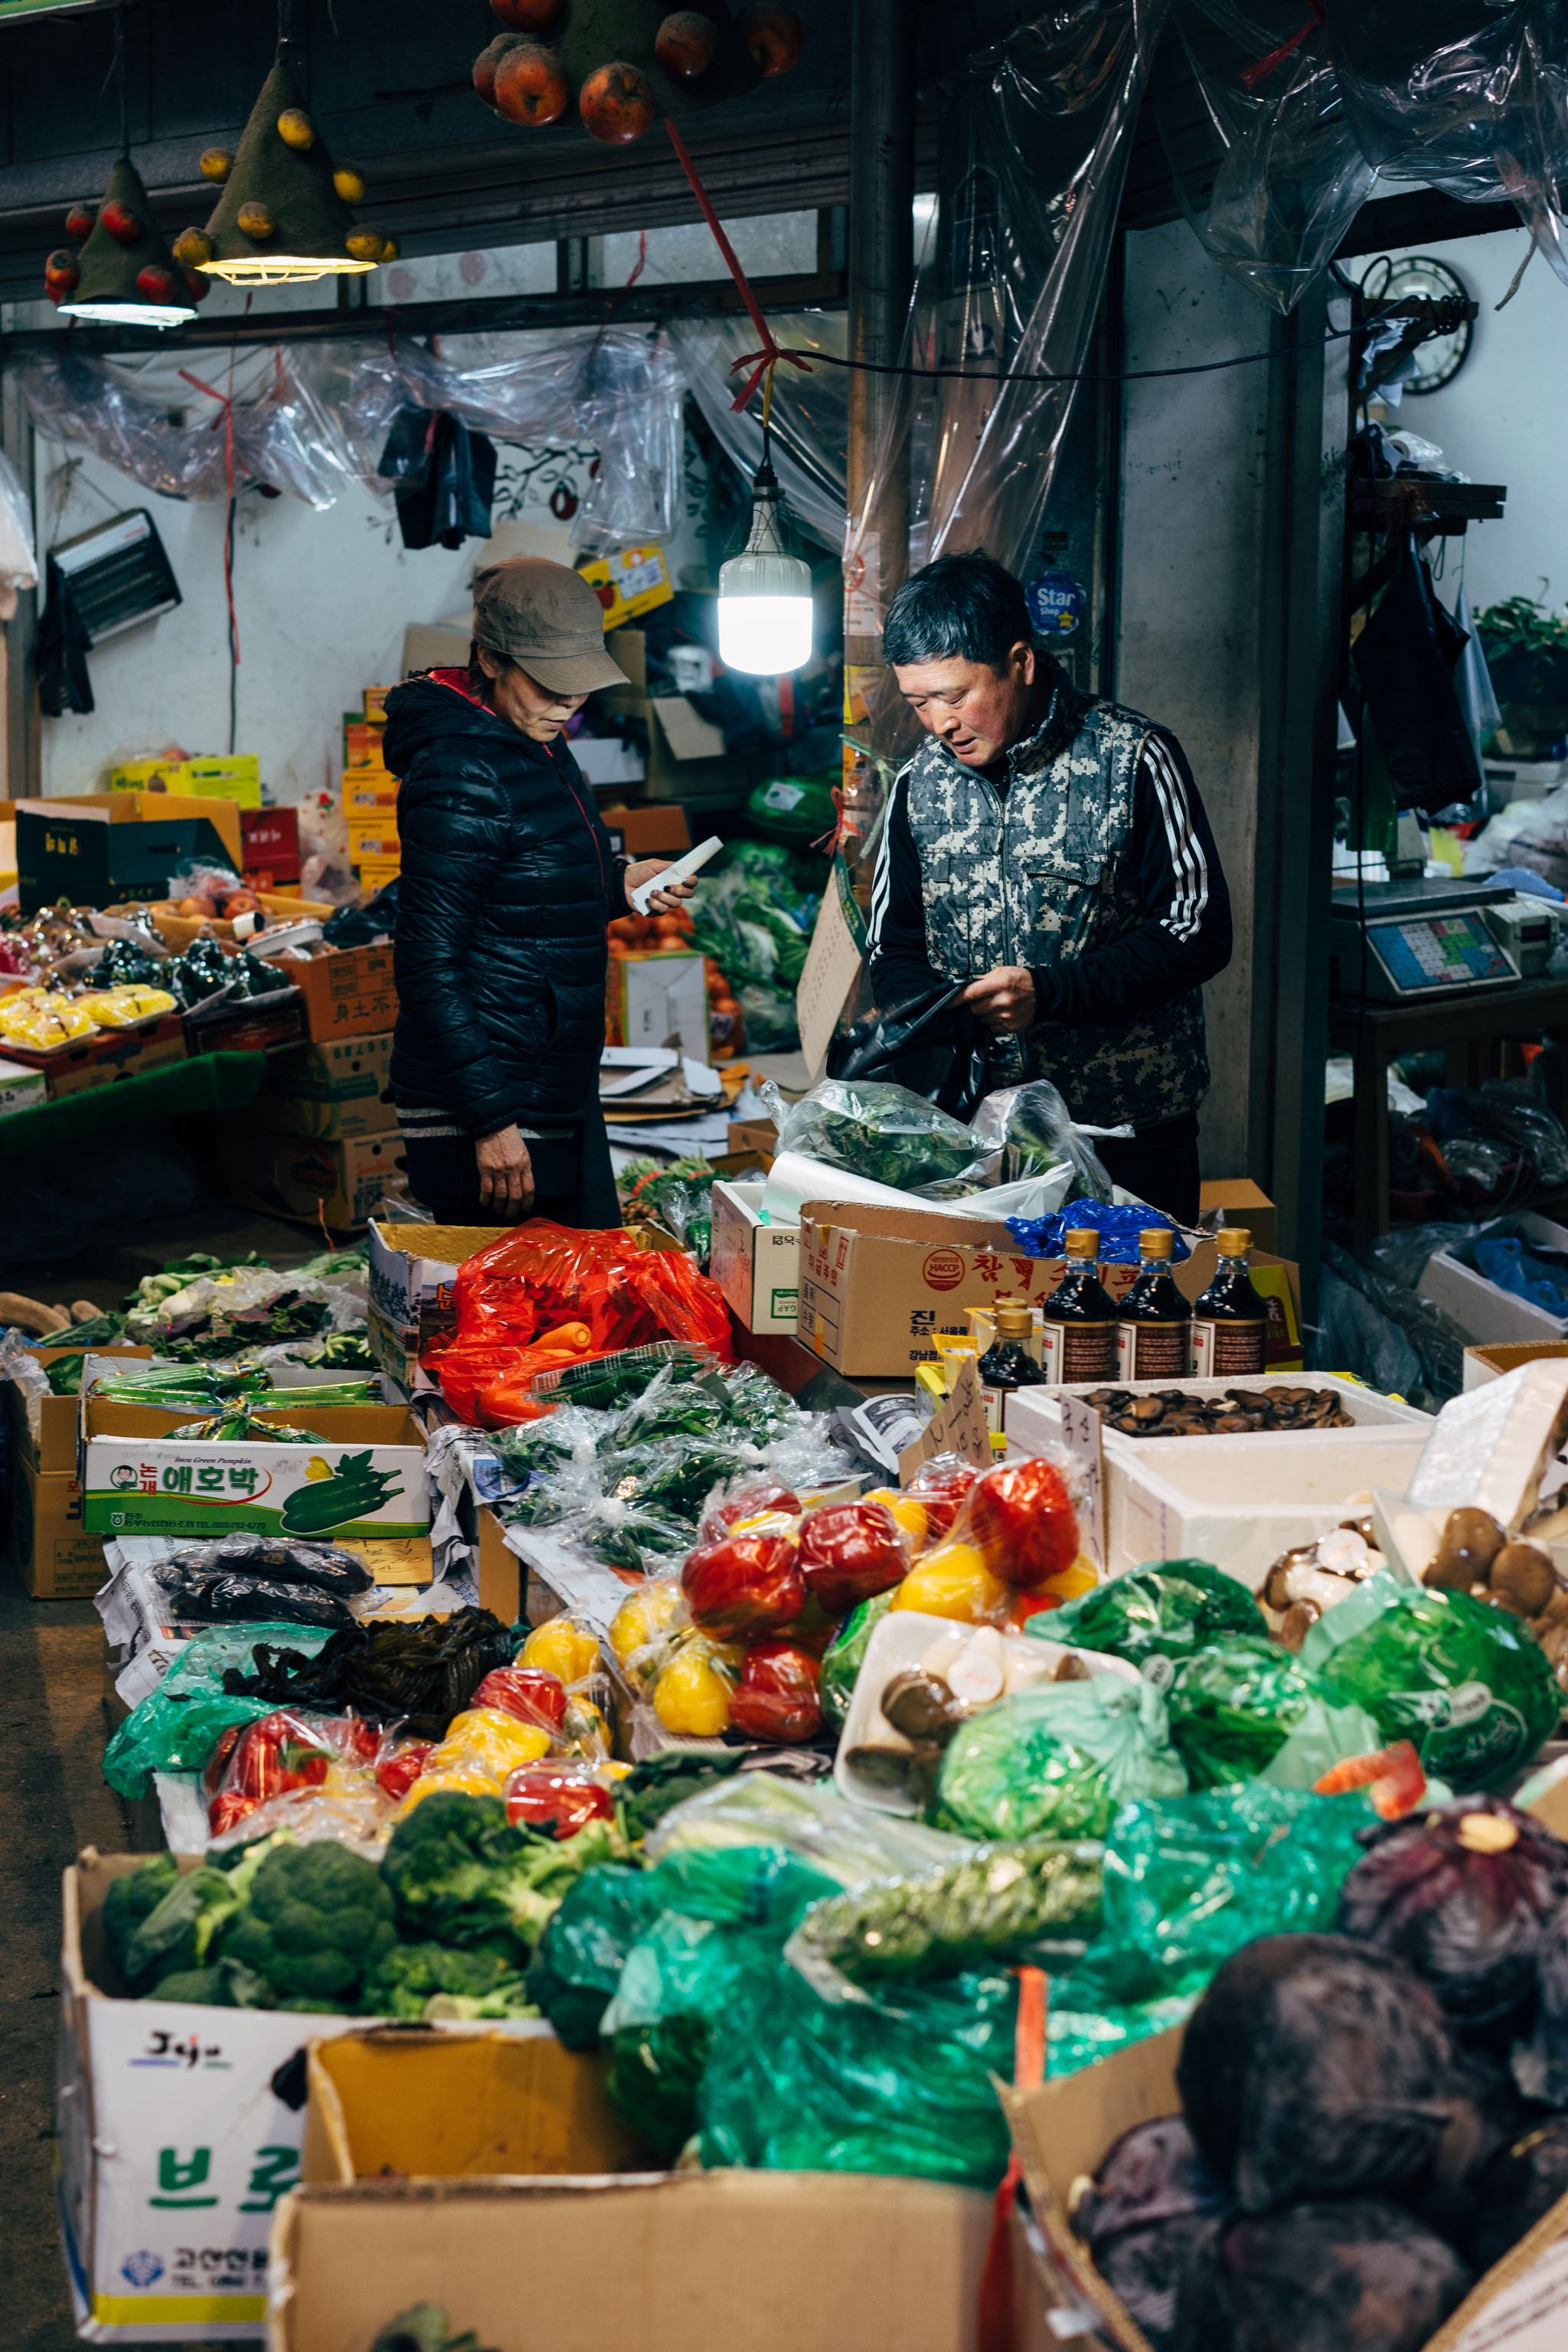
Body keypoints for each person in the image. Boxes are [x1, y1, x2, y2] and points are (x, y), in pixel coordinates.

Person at [867, 550, 1231, 1223]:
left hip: (1126, 1132)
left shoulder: (1133, 757)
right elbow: (893, 945)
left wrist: (1053, 993)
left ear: (1021, 663)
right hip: (975, 1138)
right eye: (919, 701)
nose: (940, 722)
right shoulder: (920, 783)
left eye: (954, 695)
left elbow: (1196, 929)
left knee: (1128, 1321)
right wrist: (930, 1016)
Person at [385, 557, 694, 1226]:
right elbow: (427, 962)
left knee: (575, 1301)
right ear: (491, 660)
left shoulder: (536, 741)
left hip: (542, 1073)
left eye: (578, 688)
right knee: (511, 1315)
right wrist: (491, 1123)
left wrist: (617, 885)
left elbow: (523, 889)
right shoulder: (459, 771)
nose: (568, 705)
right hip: (489, 1098)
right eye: (551, 686)